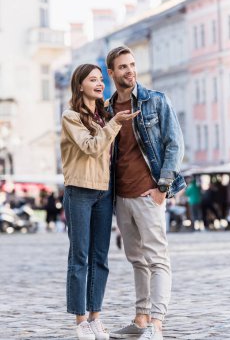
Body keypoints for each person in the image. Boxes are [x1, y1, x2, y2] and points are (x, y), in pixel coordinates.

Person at [105, 46, 186, 340]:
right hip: (121, 197)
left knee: (157, 258)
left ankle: (157, 323)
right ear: (111, 73)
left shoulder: (156, 101)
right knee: (136, 259)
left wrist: (162, 187)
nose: (130, 71)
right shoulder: (107, 109)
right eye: (123, 67)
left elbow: (174, 145)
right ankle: (140, 319)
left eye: (132, 65)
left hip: (148, 194)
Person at [61, 63, 139, 340]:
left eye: (100, 79)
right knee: (80, 257)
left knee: (100, 258)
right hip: (80, 191)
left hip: (104, 192)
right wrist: (115, 124)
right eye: (92, 79)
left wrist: (112, 121)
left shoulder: (104, 116)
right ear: (79, 84)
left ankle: (96, 316)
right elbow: (91, 147)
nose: (99, 83)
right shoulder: (71, 117)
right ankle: (81, 319)